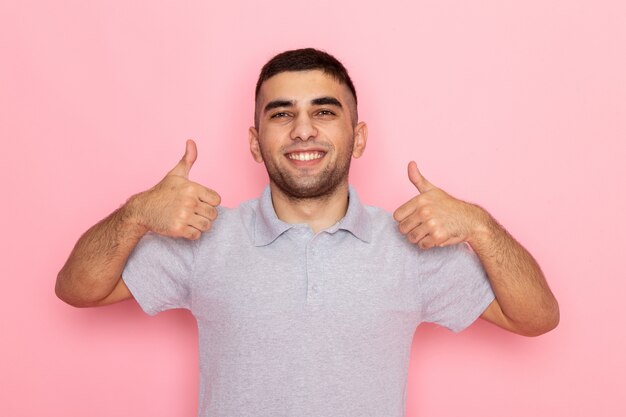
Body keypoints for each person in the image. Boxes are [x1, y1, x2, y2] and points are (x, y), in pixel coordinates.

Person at [56, 48, 559, 417]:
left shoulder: (409, 243)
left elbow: (536, 317)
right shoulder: (205, 235)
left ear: (358, 137)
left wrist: (479, 224)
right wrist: (137, 213)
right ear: (255, 143)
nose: (303, 130)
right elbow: (77, 289)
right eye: (282, 114)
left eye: (324, 111)